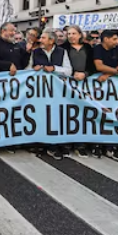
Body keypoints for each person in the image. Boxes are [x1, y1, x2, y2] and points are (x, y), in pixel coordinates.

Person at [34, 29, 74, 160]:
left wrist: (55, 69)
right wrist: (33, 69)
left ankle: (55, 144)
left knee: (56, 117)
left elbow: (68, 71)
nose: (41, 40)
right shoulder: (36, 52)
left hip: (57, 92)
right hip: (41, 91)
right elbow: (28, 70)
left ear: (51, 40)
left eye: (44, 38)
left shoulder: (62, 52)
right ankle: (42, 144)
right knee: (42, 117)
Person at [92, 30, 118, 161]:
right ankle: (97, 144)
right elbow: (99, 66)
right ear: (106, 39)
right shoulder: (97, 49)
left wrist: (110, 74)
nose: (116, 41)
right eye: (113, 39)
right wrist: (117, 71)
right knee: (99, 114)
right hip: (98, 87)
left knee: (113, 114)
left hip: (113, 87)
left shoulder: (117, 49)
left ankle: (111, 146)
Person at [61, 25, 96, 158]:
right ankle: (66, 143)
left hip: (85, 85)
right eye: (69, 34)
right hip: (67, 85)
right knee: (68, 113)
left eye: (74, 33)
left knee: (83, 114)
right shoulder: (63, 48)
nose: (71, 36)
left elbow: (94, 66)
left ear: (80, 35)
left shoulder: (88, 48)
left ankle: (80, 144)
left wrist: (85, 74)